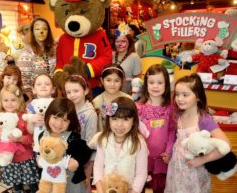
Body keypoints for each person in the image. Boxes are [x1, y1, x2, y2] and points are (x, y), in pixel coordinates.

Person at [165, 73, 232, 193]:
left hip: (195, 173)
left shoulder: (204, 120)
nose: (179, 98)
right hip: (176, 171)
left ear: (198, 97)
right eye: (177, 94)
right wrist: (169, 153)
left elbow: (226, 145)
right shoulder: (178, 115)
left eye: (185, 95)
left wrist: (202, 160)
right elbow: (177, 141)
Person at [93, 96, 148, 193]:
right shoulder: (103, 139)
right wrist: (100, 190)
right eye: (115, 119)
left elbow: (141, 173)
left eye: (125, 119)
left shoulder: (139, 143)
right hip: (106, 189)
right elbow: (98, 167)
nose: (119, 124)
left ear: (134, 121)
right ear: (108, 120)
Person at [36, 97, 92, 192]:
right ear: (48, 115)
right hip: (50, 181)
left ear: (71, 122)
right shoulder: (42, 136)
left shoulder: (73, 138)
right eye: (55, 117)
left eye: (65, 120)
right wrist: (39, 159)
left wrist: (77, 161)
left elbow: (87, 152)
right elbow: (42, 153)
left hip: (71, 182)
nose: (59, 124)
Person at [136, 64, 176, 193]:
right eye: (151, 82)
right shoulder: (139, 108)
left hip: (162, 159)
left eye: (160, 83)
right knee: (138, 187)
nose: (155, 86)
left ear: (166, 85)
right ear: (146, 84)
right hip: (142, 159)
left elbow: (172, 131)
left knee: (160, 188)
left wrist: (169, 151)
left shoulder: (170, 109)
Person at [0, 85, 39, 193]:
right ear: (1, 101)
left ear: (19, 100)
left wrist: (20, 139)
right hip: (10, 160)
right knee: (17, 187)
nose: (9, 103)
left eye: (13, 100)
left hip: (25, 159)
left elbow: (31, 139)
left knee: (33, 186)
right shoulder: (0, 117)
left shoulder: (24, 116)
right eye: (6, 100)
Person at [63, 74, 98, 193]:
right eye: (68, 92)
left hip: (85, 156)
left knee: (84, 183)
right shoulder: (67, 109)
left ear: (86, 90)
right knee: (71, 183)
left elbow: (90, 140)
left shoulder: (90, 113)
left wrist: (82, 159)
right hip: (69, 155)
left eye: (76, 91)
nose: (72, 95)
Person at [16, 17, 56, 99]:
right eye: (37, 29)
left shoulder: (53, 50)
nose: (41, 32)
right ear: (33, 32)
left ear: (48, 32)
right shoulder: (26, 52)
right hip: (35, 99)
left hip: (52, 97)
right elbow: (23, 78)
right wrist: (30, 98)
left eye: (44, 29)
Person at [93, 63, 132, 131]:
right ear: (102, 80)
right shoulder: (96, 102)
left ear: (122, 81)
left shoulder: (128, 99)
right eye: (108, 80)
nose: (112, 84)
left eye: (117, 80)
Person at [25, 73, 56, 140]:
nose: (43, 86)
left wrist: (47, 122)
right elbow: (30, 131)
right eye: (39, 84)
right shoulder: (31, 106)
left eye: (47, 84)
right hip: (38, 144)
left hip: (54, 142)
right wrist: (31, 121)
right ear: (33, 90)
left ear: (53, 89)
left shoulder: (56, 104)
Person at [113, 29, 142, 93]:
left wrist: (132, 94)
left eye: (123, 41)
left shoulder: (134, 57)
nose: (120, 44)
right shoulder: (111, 54)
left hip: (127, 95)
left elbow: (137, 80)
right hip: (111, 93)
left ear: (129, 43)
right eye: (117, 41)